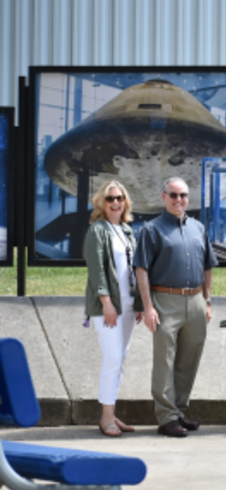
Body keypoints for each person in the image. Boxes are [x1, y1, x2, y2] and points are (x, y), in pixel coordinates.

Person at [134, 177, 217, 437]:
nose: (179, 200)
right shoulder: (151, 229)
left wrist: (208, 300)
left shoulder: (198, 228)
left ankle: (179, 411)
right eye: (173, 195)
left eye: (183, 195)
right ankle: (166, 417)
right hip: (164, 300)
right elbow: (141, 270)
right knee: (165, 361)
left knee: (188, 360)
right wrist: (148, 307)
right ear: (163, 197)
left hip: (195, 300)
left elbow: (207, 266)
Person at [84, 180, 144, 438]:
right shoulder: (98, 230)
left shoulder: (128, 231)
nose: (116, 202)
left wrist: (140, 303)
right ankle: (105, 418)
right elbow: (96, 269)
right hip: (109, 306)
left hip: (129, 305)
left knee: (119, 361)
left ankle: (111, 414)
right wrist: (106, 302)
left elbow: (134, 269)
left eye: (119, 198)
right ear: (101, 202)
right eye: (110, 199)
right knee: (112, 359)